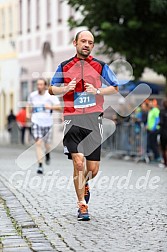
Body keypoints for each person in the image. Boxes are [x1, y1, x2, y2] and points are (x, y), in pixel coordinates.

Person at [49, 30, 118, 221]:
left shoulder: (100, 66)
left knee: (93, 169)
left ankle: (84, 183)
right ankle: (82, 205)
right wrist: (65, 88)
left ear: (93, 46)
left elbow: (115, 87)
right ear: (75, 43)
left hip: (93, 118)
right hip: (72, 119)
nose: (87, 45)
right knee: (78, 163)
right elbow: (51, 89)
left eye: (90, 42)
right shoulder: (64, 66)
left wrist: (97, 90)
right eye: (83, 41)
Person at [27, 78, 61, 174]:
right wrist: (27, 113)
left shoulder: (50, 96)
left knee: (47, 145)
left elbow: (59, 107)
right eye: (38, 84)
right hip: (36, 121)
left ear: (45, 86)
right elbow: (28, 105)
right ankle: (40, 166)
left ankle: (48, 154)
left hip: (47, 123)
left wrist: (50, 107)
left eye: (41, 84)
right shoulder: (32, 95)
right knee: (38, 143)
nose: (39, 86)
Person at [159, 99, 167, 167]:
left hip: (164, 132)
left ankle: (165, 162)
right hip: (164, 132)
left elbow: (161, 122)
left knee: (163, 148)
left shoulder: (161, 112)